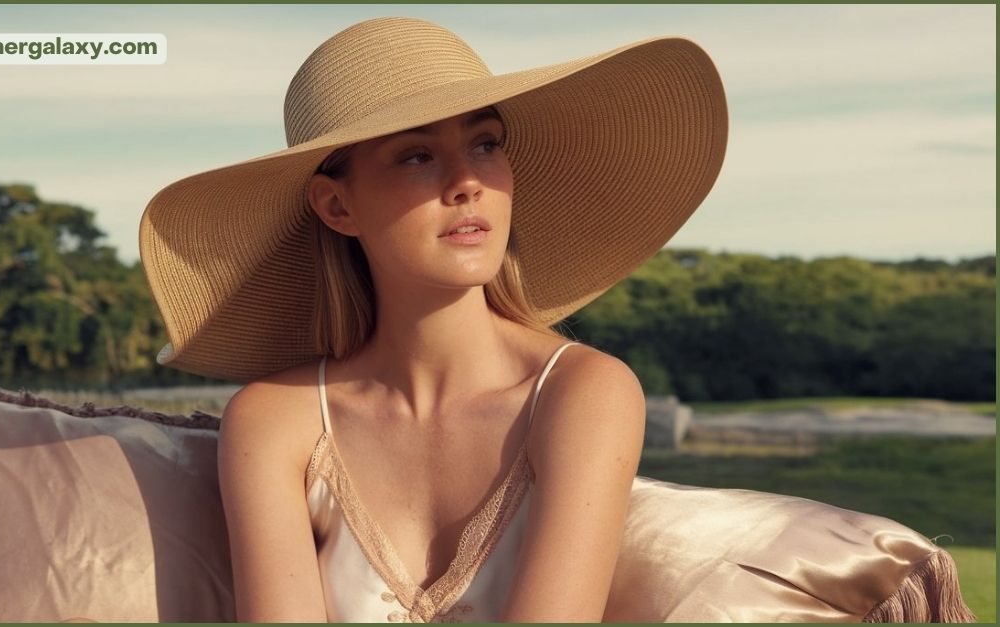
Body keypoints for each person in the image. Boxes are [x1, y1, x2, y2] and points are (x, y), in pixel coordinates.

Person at [138, 16, 727, 622]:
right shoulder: (274, 422)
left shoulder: (583, 393)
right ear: (337, 205)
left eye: (486, 143)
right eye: (417, 155)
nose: (468, 181)